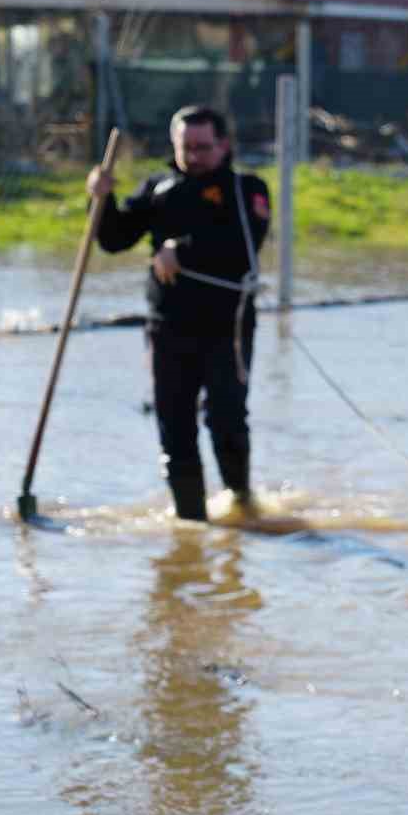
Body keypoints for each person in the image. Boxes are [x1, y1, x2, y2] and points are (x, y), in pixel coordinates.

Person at [88, 106, 271, 522]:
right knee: (174, 425)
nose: (194, 156)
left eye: (203, 147)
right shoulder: (159, 188)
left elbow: (243, 245)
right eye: (185, 147)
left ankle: (241, 503)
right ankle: (191, 523)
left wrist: (180, 248)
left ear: (223, 145)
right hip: (168, 326)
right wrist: (101, 200)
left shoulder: (246, 190)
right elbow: (115, 239)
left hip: (227, 327)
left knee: (226, 420)